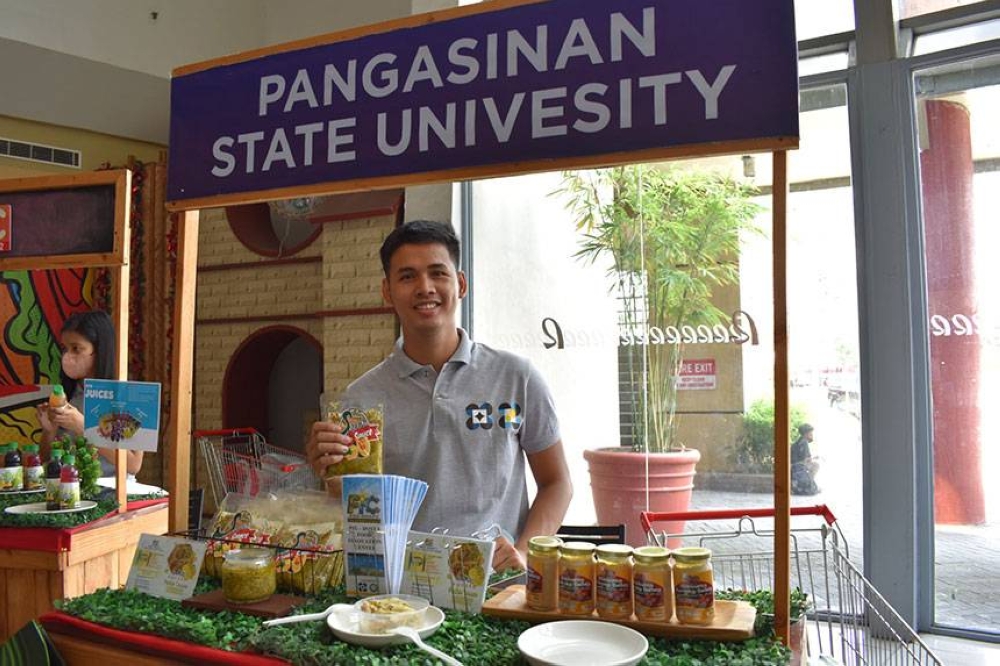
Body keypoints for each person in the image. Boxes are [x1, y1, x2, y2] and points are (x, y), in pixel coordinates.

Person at [307, 220, 572, 572]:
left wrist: (524, 551)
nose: (425, 287)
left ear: (460, 284)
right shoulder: (362, 400)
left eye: (437, 273)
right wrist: (327, 472)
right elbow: (357, 505)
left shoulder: (516, 377)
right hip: (403, 589)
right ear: (387, 291)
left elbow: (557, 482)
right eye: (407, 277)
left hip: (497, 587)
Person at [36, 310, 144, 476]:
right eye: (65, 349)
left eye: (76, 349)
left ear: (100, 350)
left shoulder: (128, 394)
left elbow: (133, 464)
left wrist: (84, 427)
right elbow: (46, 459)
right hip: (69, 488)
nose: (68, 356)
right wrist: (49, 430)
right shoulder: (67, 394)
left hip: (115, 491)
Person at [791, 423, 819, 495]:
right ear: (806, 434)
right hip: (797, 466)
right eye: (811, 433)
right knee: (816, 465)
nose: (812, 435)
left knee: (814, 464)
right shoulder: (804, 442)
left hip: (796, 465)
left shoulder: (799, 442)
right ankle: (809, 485)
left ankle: (810, 484)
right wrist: (813, 459)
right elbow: (805, 460)